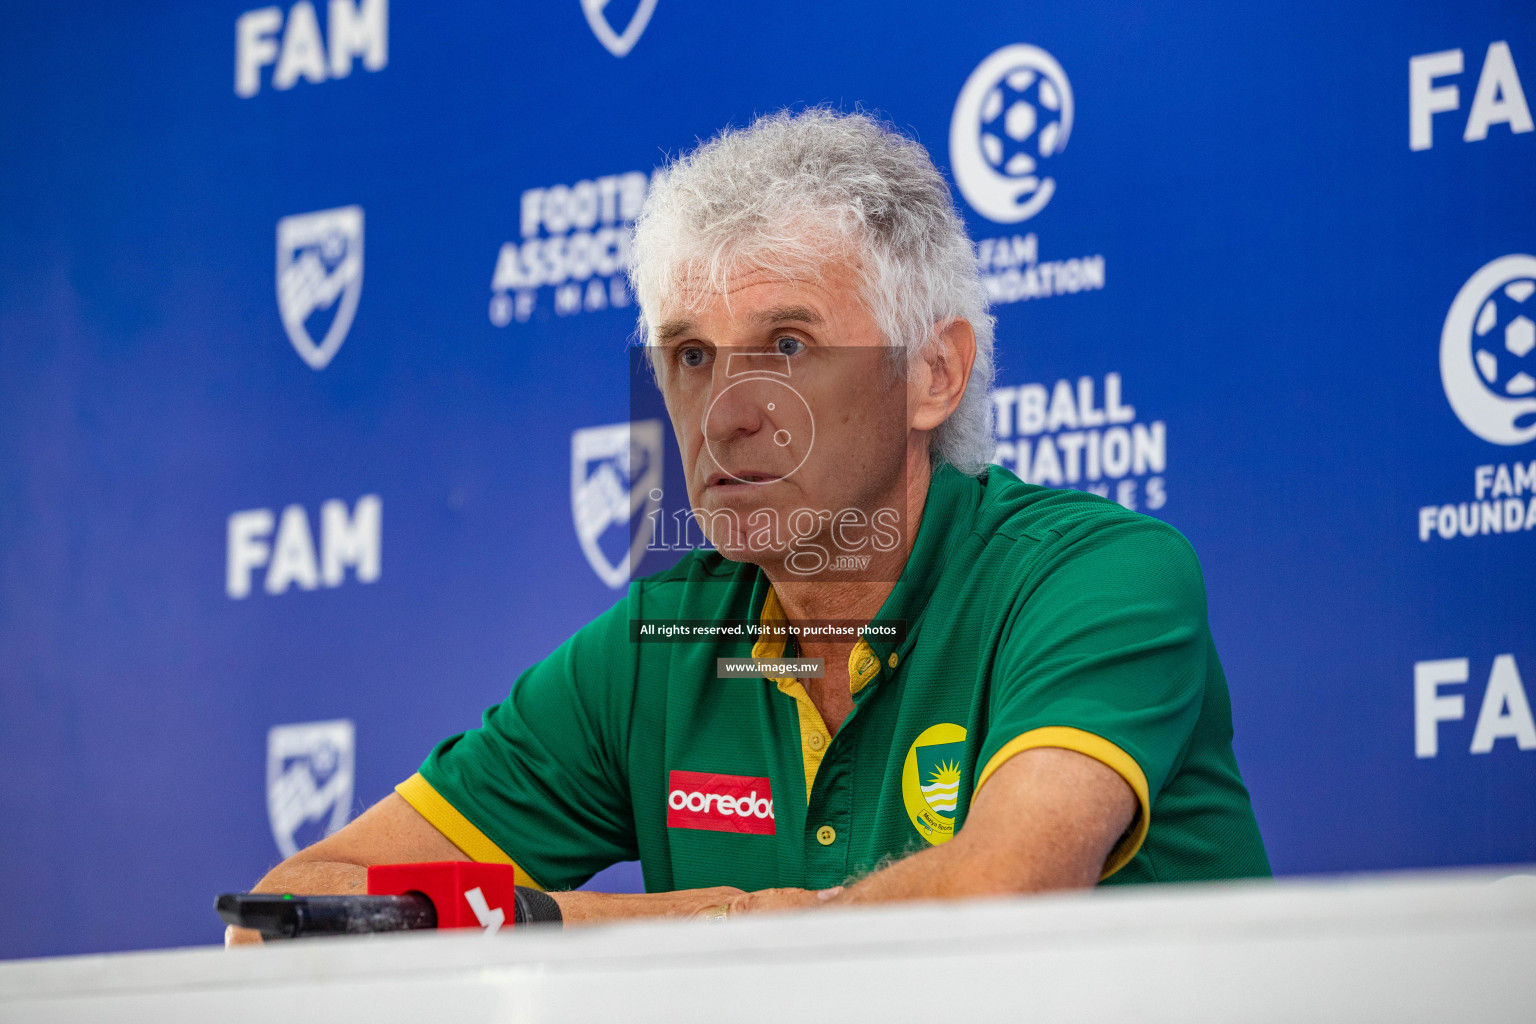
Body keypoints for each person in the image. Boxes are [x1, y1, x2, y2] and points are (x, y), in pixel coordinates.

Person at [228, 108, 1267, 943]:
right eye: (690, 355)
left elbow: (1000, 901)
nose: (727, 409)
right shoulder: (656, 648)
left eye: (788, 342)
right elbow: (295, 913)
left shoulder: (1101, 577)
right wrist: (724, 917)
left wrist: (550, 923)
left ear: (934, 374)